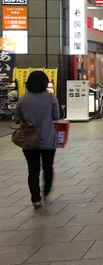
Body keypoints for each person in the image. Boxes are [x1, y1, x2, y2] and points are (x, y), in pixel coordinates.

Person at [15, 71, 61, 208]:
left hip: (29, 141)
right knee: (48, 167)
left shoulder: (23, 99)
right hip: (48, 139)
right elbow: (56, 116)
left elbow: (16, 118)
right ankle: (46, 191)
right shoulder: (51, 98)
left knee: (33, 170)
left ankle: (35, 198)